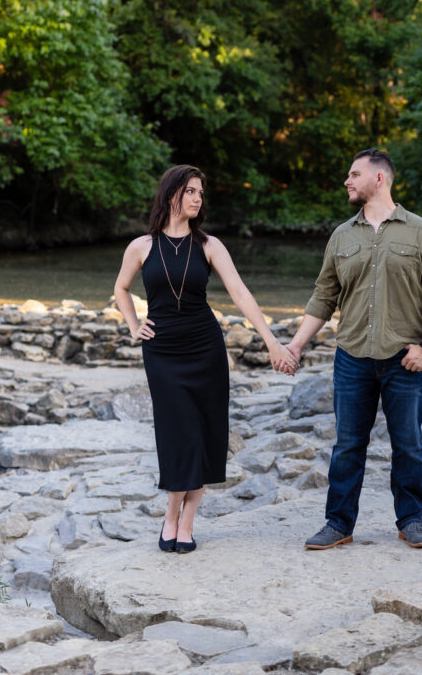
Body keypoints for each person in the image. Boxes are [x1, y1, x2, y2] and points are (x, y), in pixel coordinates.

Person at [114, 164, 297, 555]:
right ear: (171, 195)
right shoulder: (142, 247)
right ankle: (170, 514)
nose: (199, 198)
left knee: (203, 433)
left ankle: (188, 522)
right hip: (162, 352)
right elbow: (121, 287)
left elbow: (241, 293)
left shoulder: (210, 245)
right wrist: (133, 326)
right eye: (192, 191)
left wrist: (272, 342)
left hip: (205, 348)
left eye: (201, 192)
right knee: (177, 432)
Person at [287, 148, 422, 550]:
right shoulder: (342, 236)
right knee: (347, 445)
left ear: (378, 178)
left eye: (353, 174)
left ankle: (411, 520)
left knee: (409, 445)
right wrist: (294, 347)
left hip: (406, 361)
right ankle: (339, 524)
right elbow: (323, 297)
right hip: (352, 359)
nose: (347, 181)